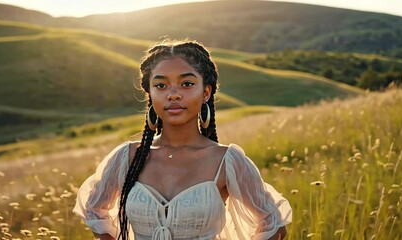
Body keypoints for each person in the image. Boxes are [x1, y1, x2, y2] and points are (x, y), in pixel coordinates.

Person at [73, 39, 292, 240]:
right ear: (150, 93)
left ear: (206, 92)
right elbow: (94, 209)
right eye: (161, 85)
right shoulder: (128, 157)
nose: (173, 94)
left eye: (186, 84)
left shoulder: (226, 161)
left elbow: (273, 224)